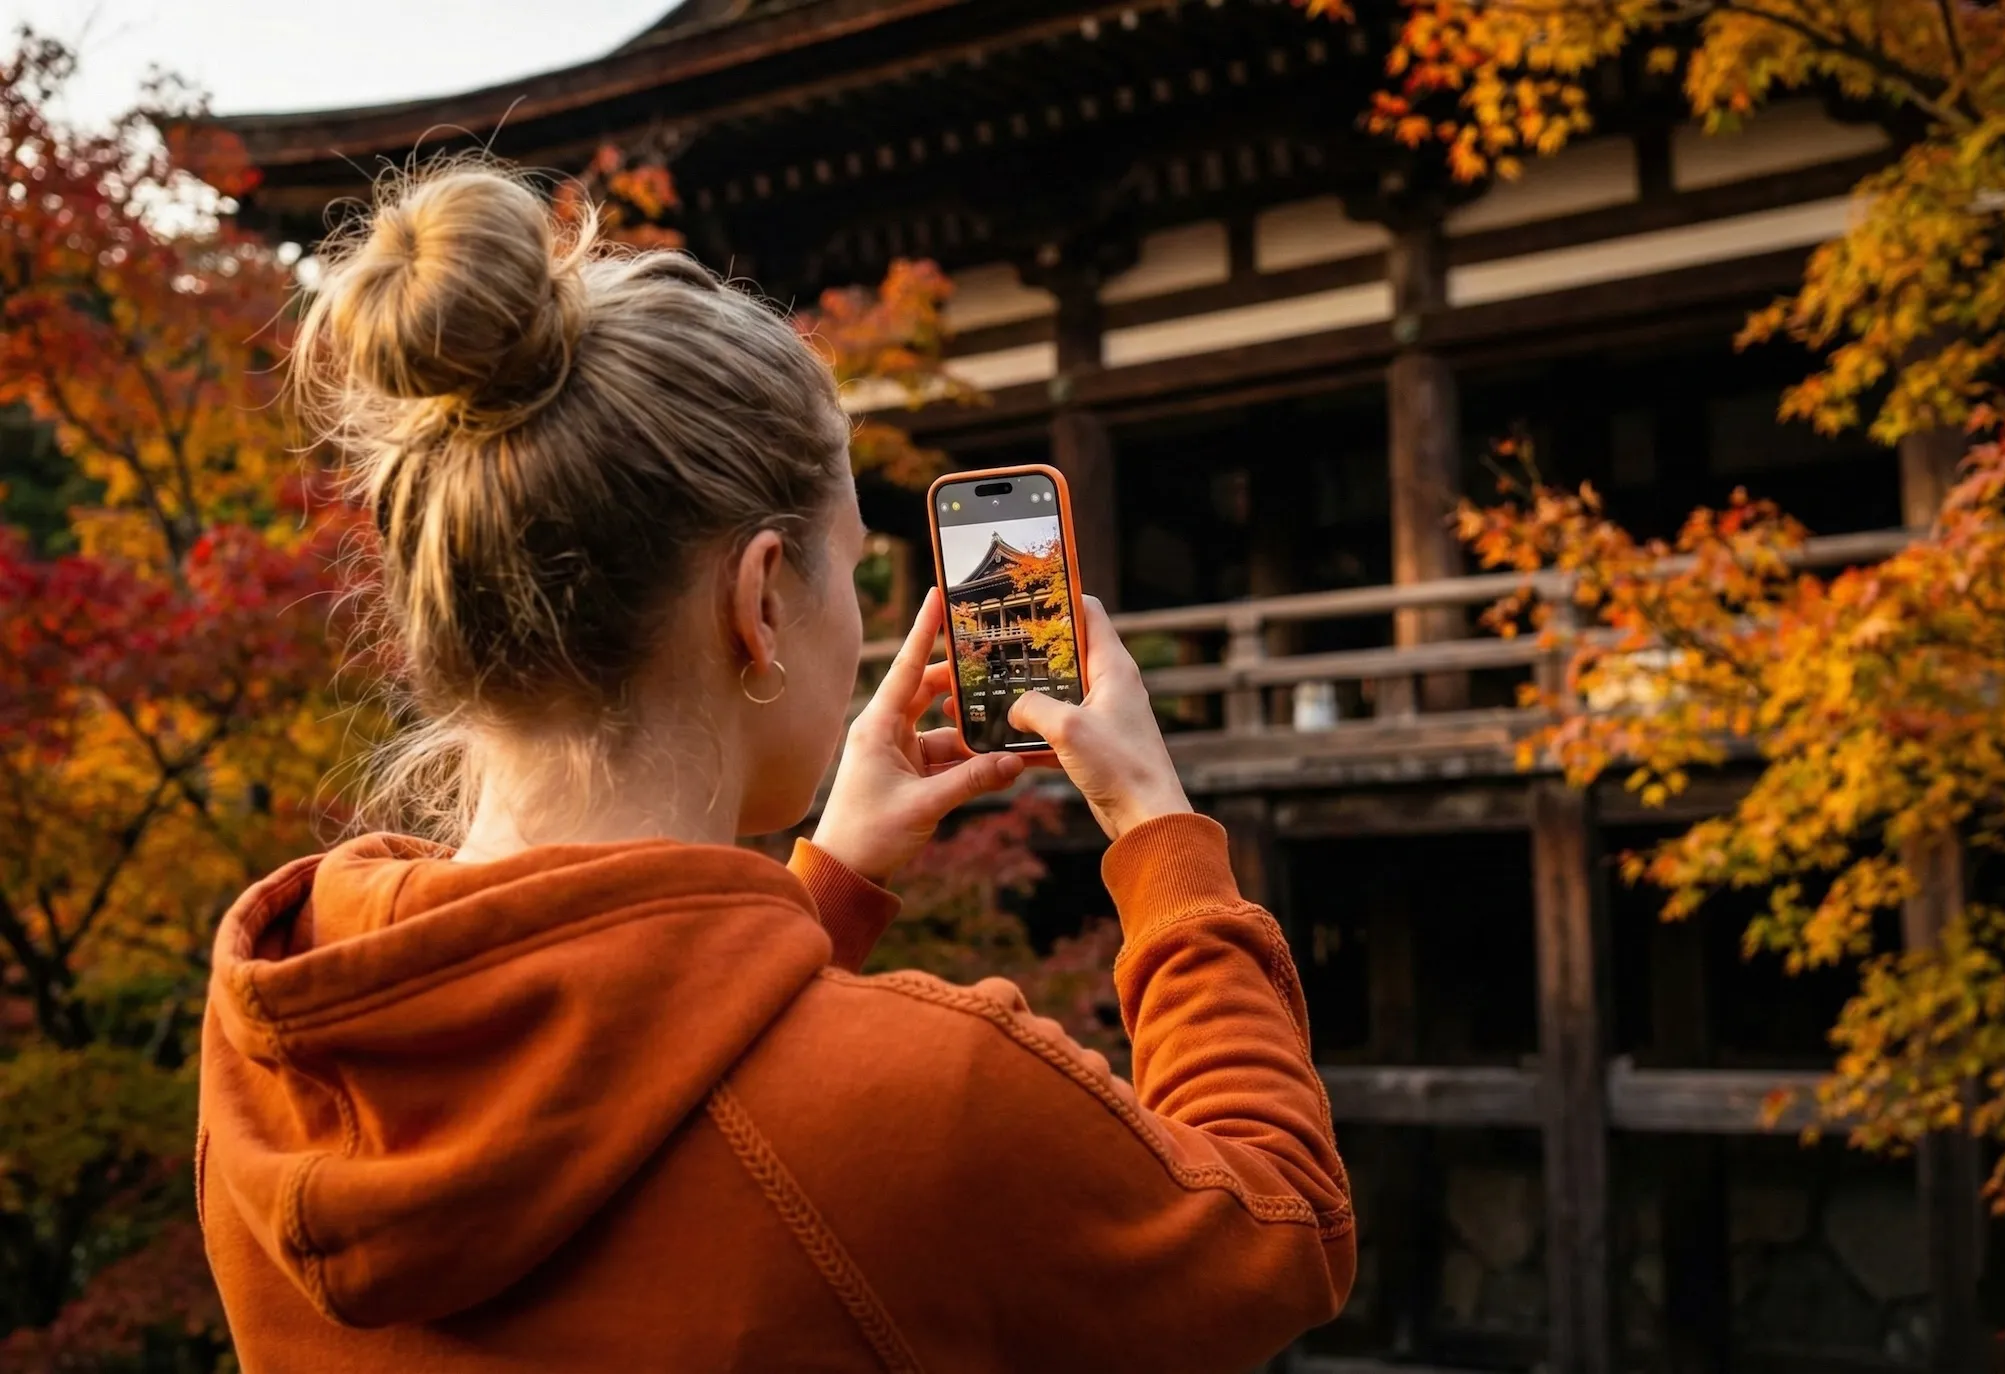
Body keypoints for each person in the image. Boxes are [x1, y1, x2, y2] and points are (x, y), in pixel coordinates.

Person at [199, 162, 1354, 1373]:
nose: (861, 620)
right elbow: (1279, 1232)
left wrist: (830, 890)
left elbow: (641, 1122)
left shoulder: (279, 1038)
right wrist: (1153, 827)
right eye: (853, 573)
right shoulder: (936, 1101)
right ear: (757, 599)